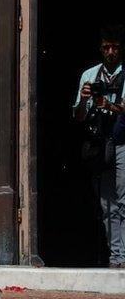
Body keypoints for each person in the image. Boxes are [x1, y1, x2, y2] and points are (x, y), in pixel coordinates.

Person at [75, 25, 125, 268]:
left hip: (122, 140)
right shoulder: (90, 76)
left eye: (115, 47)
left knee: (123, 199)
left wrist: (108, 103)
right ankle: (117, 257)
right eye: (106, 47)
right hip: (100, 142)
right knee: (107, 203)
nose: (111, 52)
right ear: (100, 49)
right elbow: (79, 117)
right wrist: (85, 100)